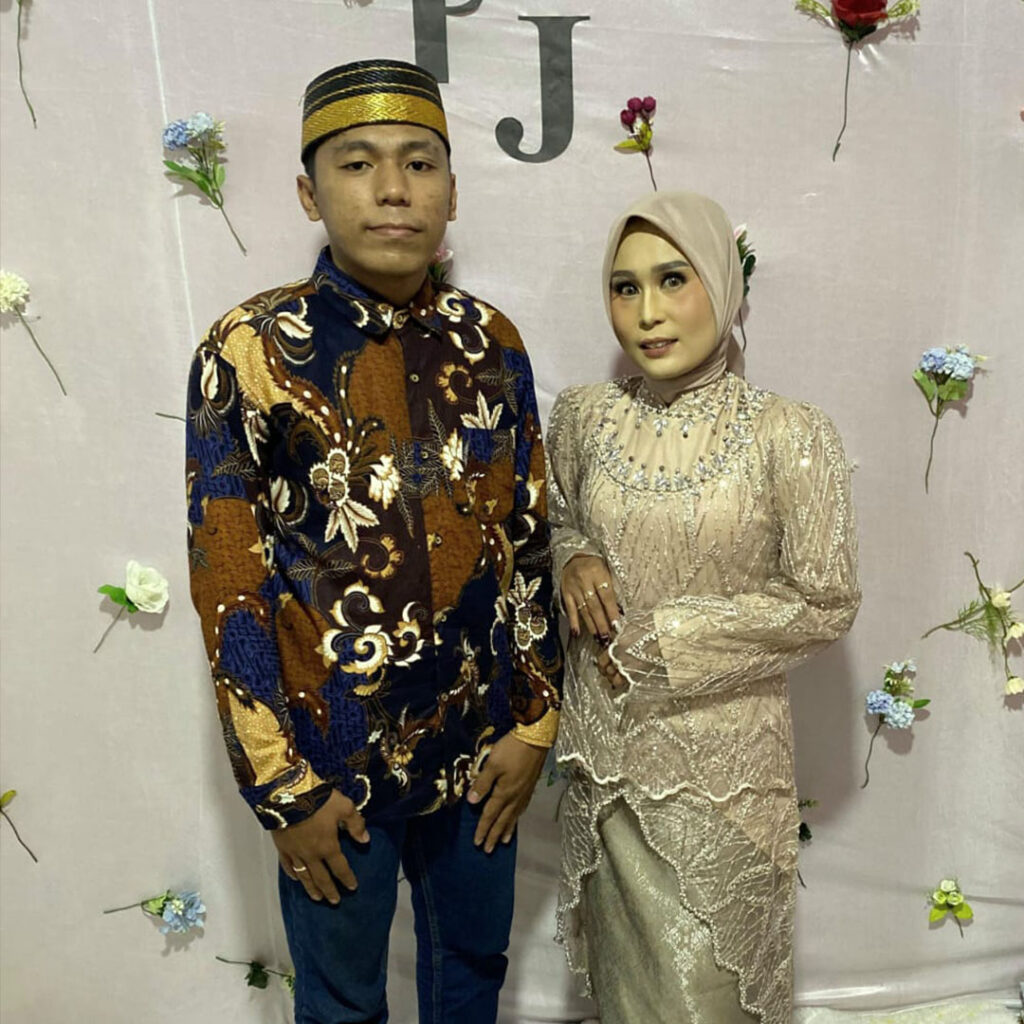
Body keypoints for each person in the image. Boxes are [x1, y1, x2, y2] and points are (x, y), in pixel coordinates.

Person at [185, 59, 561, 1024]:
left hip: (481, 751)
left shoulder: (494, 342)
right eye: (357, 163)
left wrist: (535, 723)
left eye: (420, 163)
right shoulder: (249, 350)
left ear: (451, 191)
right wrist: (282, 788)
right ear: (309, 192)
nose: (394, 188)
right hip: (329, 768)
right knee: (342, 1003)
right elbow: (229, 585)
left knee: (471, 973)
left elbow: (528, 540)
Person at [546, 190, 861, 1024]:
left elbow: (825, 600)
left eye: (672, 280)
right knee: (629, 997)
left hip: (726, 782)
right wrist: (572, 555)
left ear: (723, 282)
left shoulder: (790, 433)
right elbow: (554, 516)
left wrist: (675, 638)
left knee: (706, 999)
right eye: (625, 287)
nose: (647, 313)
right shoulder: (583, 417)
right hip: (607, 771)